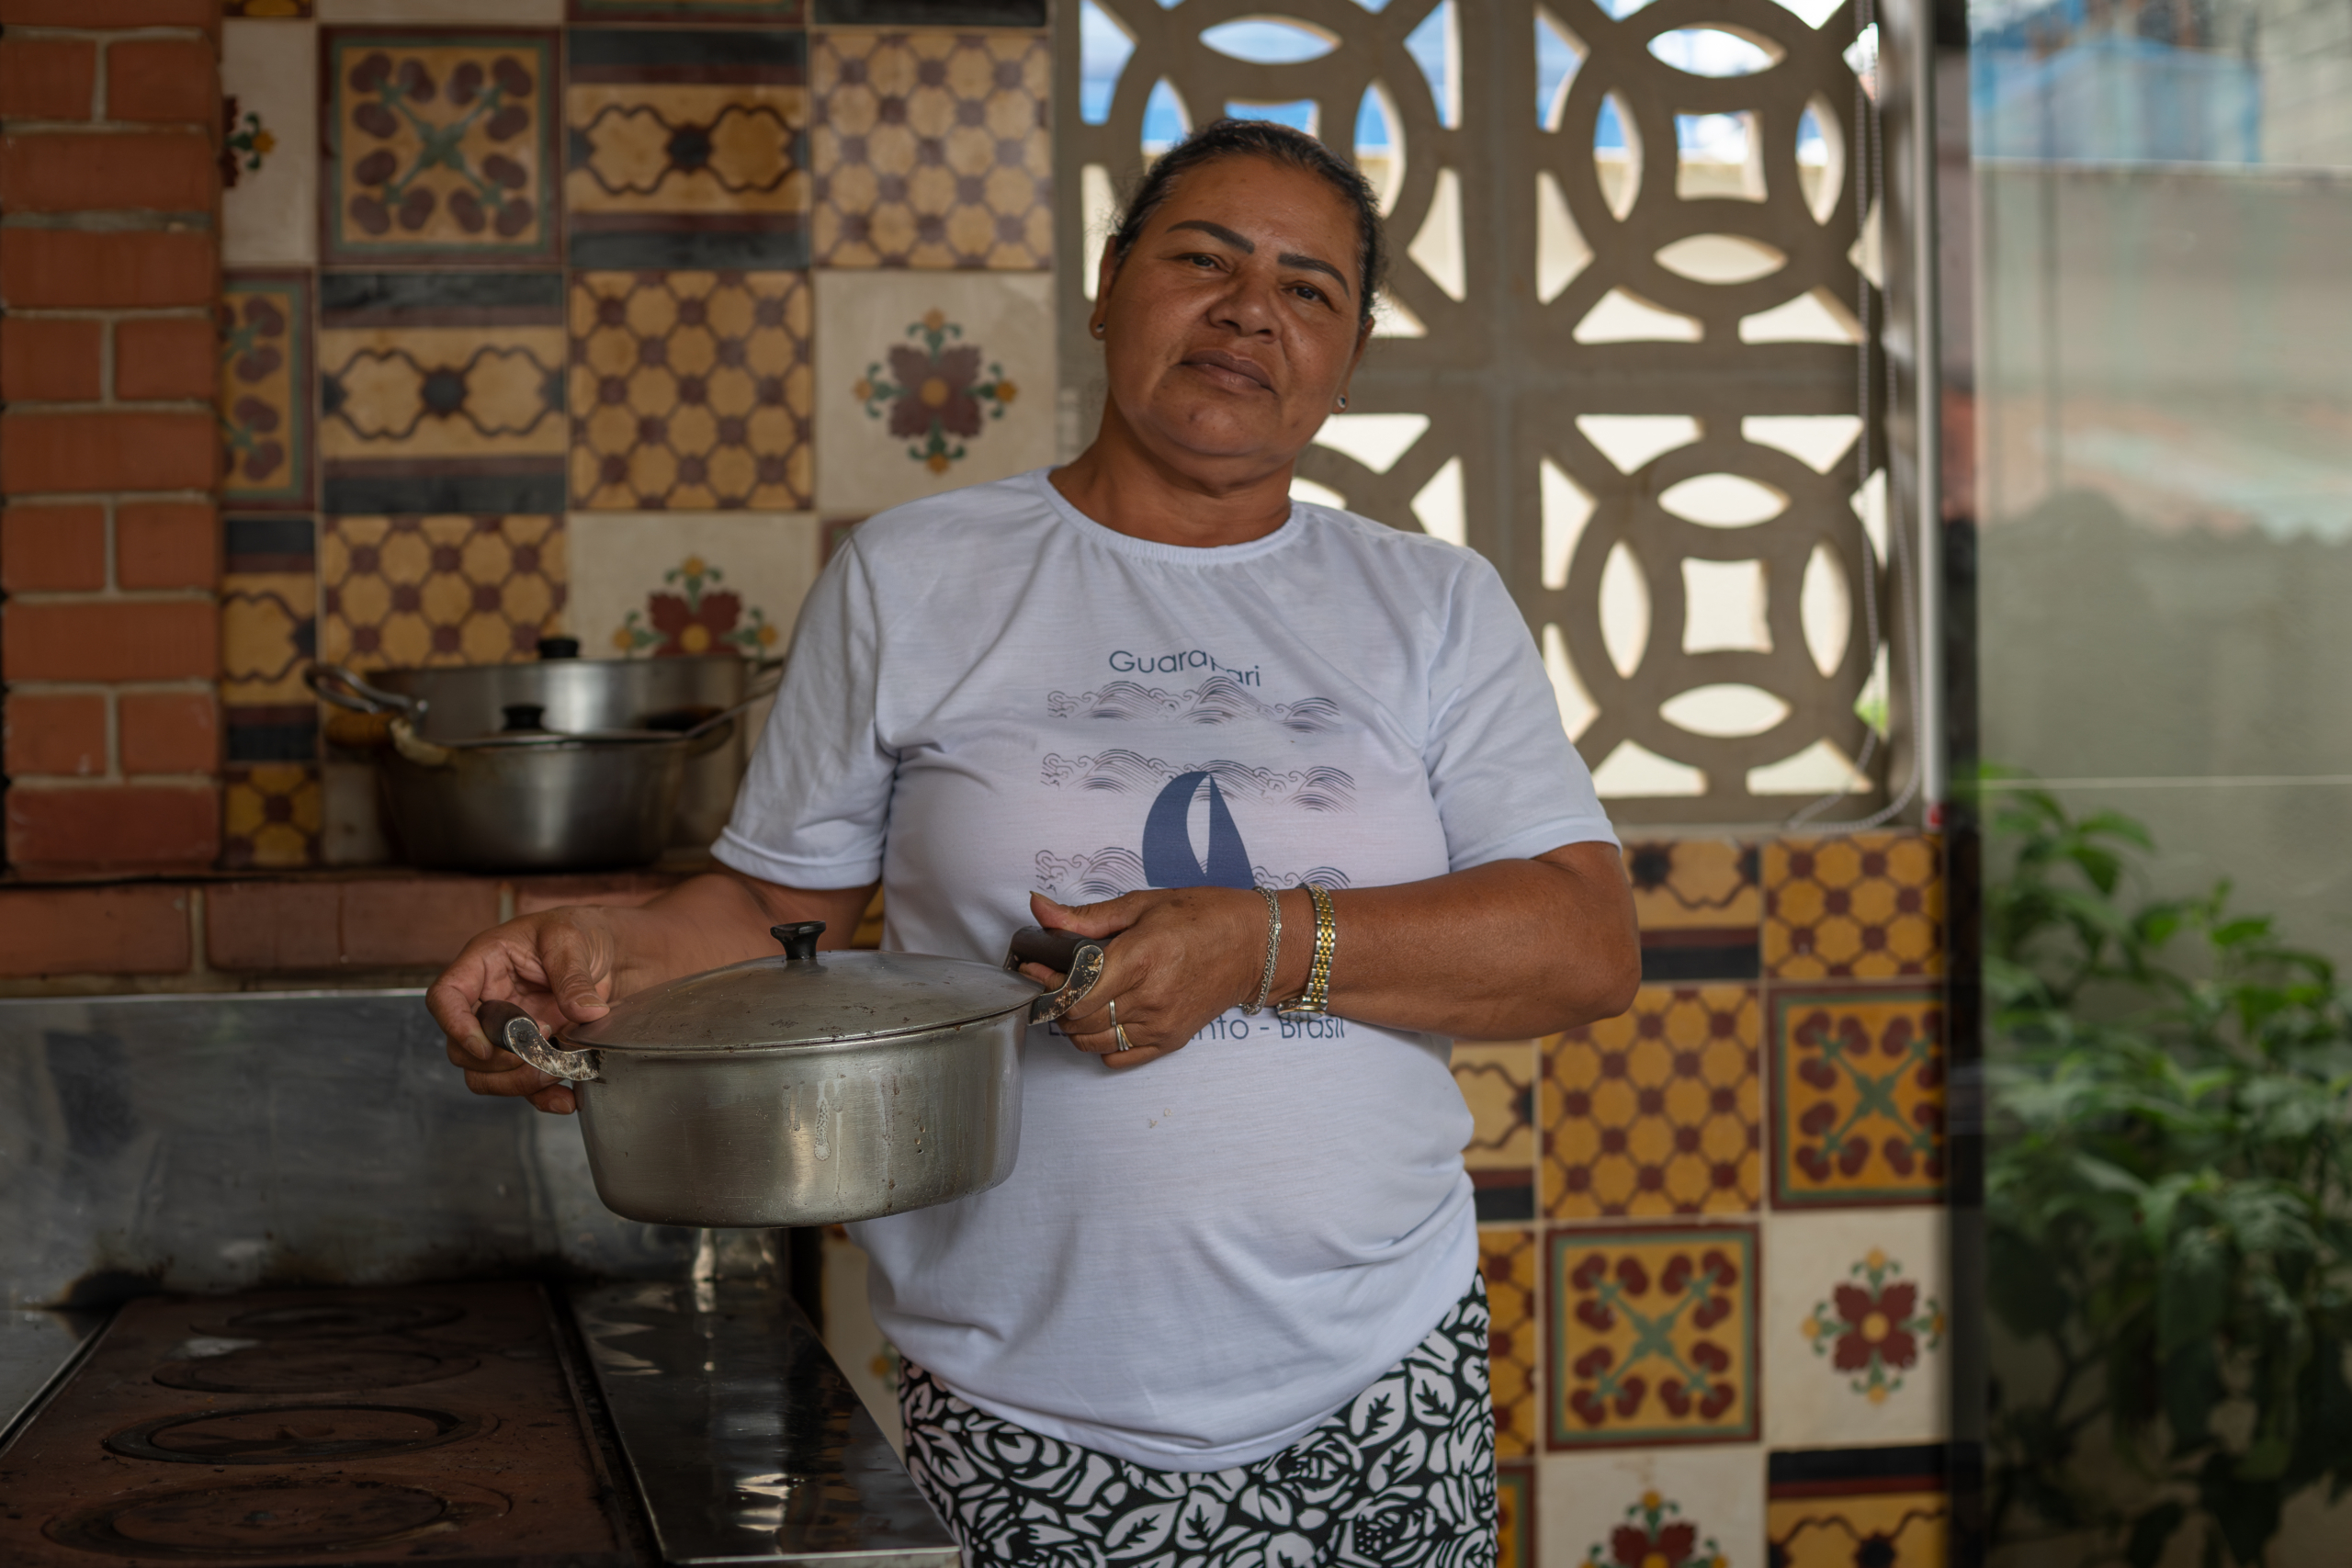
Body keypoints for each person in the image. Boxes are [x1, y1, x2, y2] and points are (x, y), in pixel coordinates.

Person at [430, 118, 1638, 1568]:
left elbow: (1581, 942)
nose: (1252, 309)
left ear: (1351, 354)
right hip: (1021, 1389)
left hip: (1377, 1369)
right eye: (1205, 260)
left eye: (1309, 289)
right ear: (1111, 282)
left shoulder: (1431, 603)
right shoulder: (918, 574)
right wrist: (608, 953)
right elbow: (770, 913)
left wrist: (1254, 945)